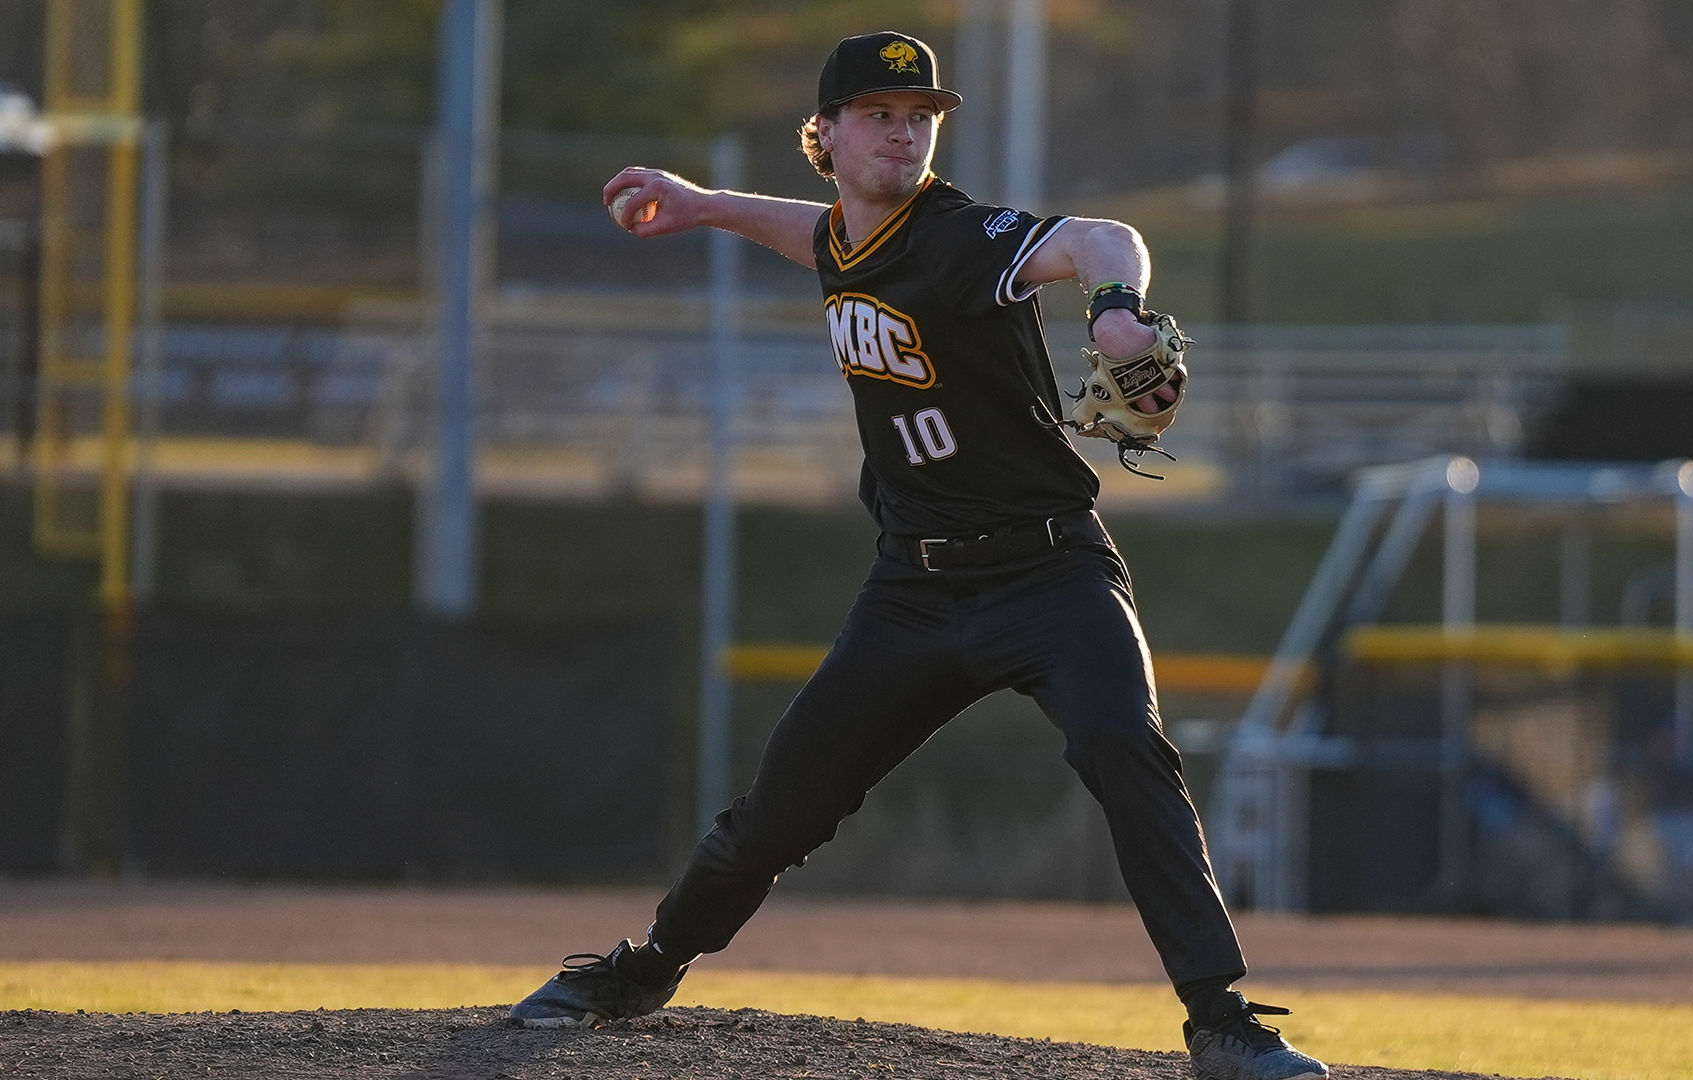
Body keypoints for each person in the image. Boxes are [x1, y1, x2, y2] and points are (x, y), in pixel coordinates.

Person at [507, 30, 1329, 1080]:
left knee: (1126, 744)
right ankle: (649, 966)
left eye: (920, 117)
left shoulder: (962, 236)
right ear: (826, 133)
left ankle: (1220, 1018)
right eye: (880, 115)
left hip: (1050, 573)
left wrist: (1116, 313)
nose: (905, 134)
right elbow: (820, 237)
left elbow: (1101, 237)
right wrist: (706, 205)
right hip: (915, 588)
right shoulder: (850, 237)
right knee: (783, 807)